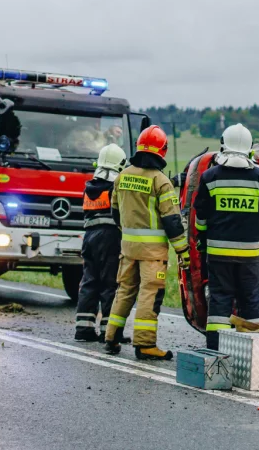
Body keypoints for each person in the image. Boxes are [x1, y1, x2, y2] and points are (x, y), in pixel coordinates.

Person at [103, 125, 189, 360]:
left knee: (124, 292)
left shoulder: (122, 176)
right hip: (153, 254)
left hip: (128, 249)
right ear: (162, 151)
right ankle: (145, 344)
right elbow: (172, 221)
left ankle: (111, 337)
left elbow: (115, 213)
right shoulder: (161, 181)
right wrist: (183, 251)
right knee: (149, 295)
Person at [193, 124, 259, 350]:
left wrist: (202, 238)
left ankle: (215, 350)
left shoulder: (210, 177)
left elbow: (200, 216)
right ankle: (255, 351)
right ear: (249, 148)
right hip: (250, 254)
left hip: (218, 253)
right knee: (252, 301)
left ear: (223, 145)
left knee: (220, 300)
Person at [75, 144, 129, 342]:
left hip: (89, 239)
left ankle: (83, 329)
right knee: (110, 284)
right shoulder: (115, 188)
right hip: (110, 238)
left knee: (89, 282)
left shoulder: (89, 189)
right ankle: (109, 331)